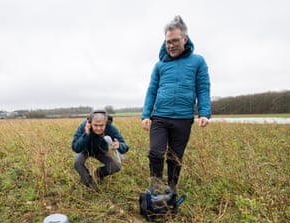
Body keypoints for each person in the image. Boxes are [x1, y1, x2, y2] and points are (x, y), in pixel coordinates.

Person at [141, 15, 211, 202]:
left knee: (175, 156)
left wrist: (204, 112)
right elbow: (152, 90)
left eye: (175, 41)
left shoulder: (198, 61)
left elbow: (203, 88)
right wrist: (146, 114)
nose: (170, 45)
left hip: (183, 118)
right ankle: (156, 184)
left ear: (185, 39)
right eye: (167, 42)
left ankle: (171, 188)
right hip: (160, 117)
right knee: (156, 152)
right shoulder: (160, 65)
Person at [72, 110, 129, 190]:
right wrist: (86, 134)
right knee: (77, 163)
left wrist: (119, 146)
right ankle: (89, 183)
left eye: (102, 125)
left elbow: (125, 147)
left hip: (100, 150)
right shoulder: (83, 126)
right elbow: (75, 148)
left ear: (106, 123)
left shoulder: (110, 128)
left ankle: (99, 174)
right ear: (90, 123)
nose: (98, 128)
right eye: (95, 125)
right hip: (84, 149)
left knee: (116, 166)